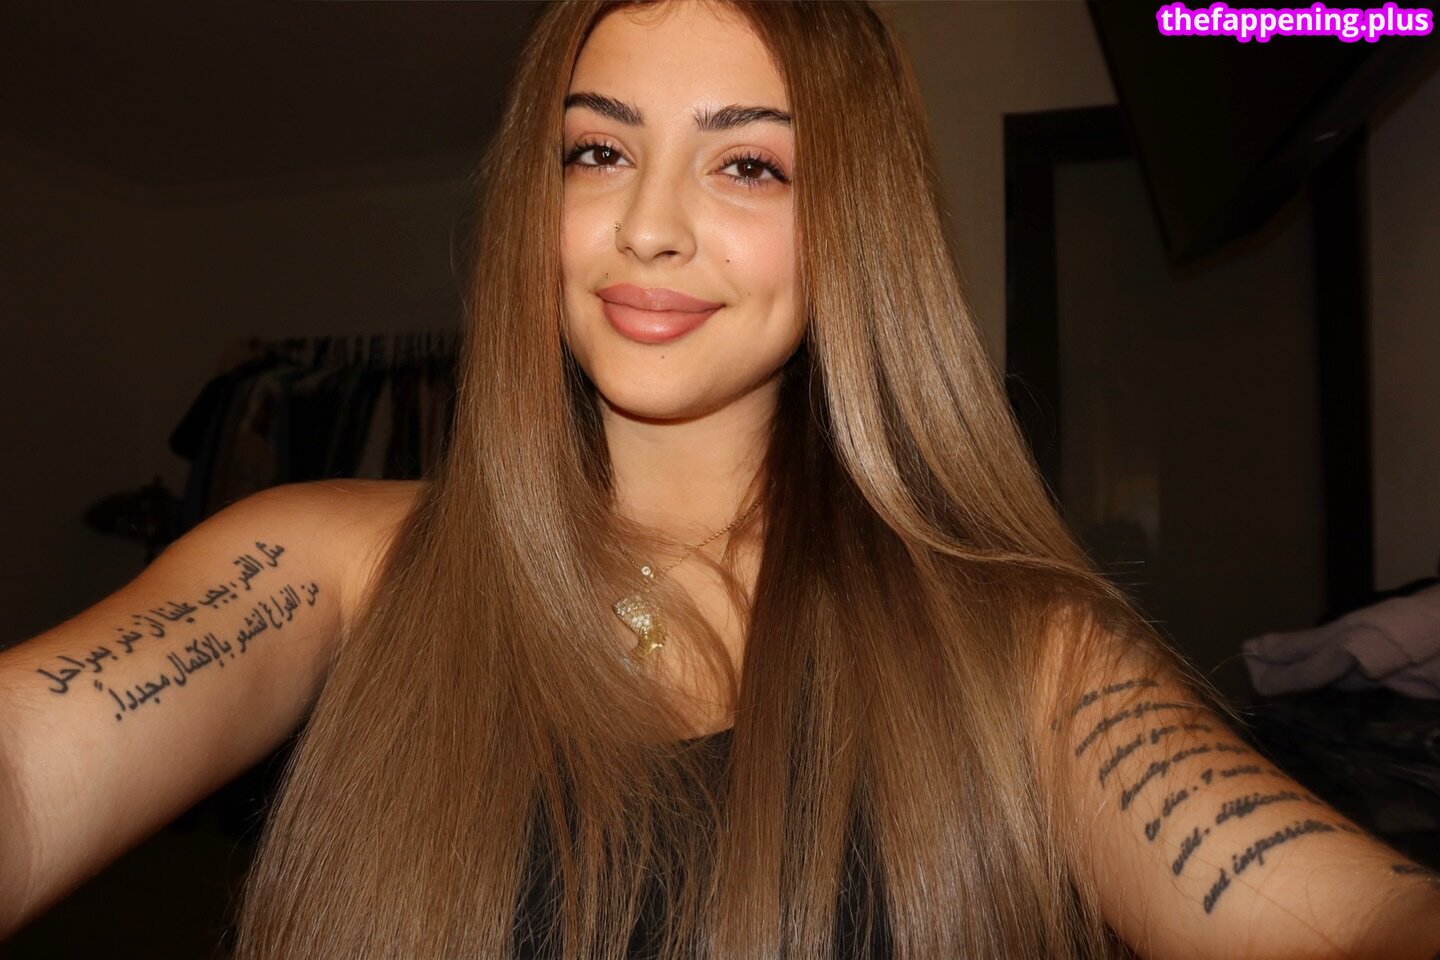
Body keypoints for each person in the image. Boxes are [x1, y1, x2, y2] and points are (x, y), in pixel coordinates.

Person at [2, 1, 1438, 957]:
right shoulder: (327, 562)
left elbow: (1356, 922)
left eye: (748, 166)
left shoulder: (1020, 649)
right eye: (597, 149)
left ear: (855, 226)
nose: (648, 227)